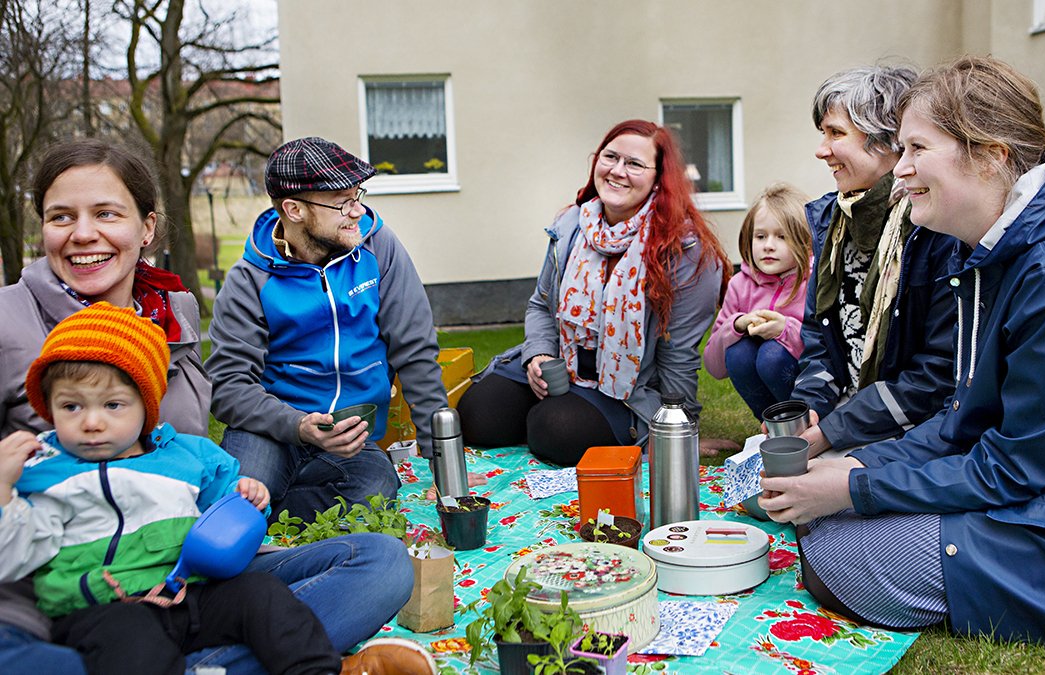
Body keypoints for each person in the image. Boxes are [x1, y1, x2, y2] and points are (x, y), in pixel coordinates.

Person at [760, 55, 1045, 641]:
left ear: (991, 154)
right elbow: (961, 421)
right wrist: (857, 464)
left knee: (837, 557)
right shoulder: (993, 254)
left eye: (917, 149)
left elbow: (1016, 466)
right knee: (821, 522)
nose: (901, 171)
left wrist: (853, 485)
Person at [0, 139, 415, 674]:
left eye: (106, 213)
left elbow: (191, 456)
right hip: (77, 598)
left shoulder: (172, 312)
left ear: (146, 228)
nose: (83, 233)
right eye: (62, 216)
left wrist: (236, 510)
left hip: (197, 573)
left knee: (380, 562)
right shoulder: (9, 318)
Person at [206, 136, 482, 520]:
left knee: (374, 496)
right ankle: (271, 505)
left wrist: (441, 457)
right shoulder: (249, 279)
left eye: (358, 196)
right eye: (342, 203)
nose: (357, 211)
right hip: (269, 430)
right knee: (237, 509)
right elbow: (227, 386)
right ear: (294, 209)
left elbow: (415, 351)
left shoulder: (379, 247)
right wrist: (298, 425)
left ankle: (279, 507)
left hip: (351, 438)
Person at [458, 119, 731, 466]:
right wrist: (538, 356)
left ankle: (570, 417)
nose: (618, 171)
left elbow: (678, 353)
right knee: (476, 415)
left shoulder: (686, 251)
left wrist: (679, 431)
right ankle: (552, 408)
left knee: (554, 431)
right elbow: (542, 305)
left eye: (634, 164)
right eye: (610, 157)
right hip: (561, 362)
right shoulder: (572, 225)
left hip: (622, 390)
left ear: (659, 179)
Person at [788, 65, 957, 458]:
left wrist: (832, 432)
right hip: (850, 419)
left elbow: (937, 372)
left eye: (835, 133)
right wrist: (807, 409)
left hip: (916, 436)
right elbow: (819, 339)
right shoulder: (833, 222)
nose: (821, 149)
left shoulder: (935, 231)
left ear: (885, 141)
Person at [703, 183, 813, 421]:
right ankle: (771, 426)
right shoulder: (740, 284)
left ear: (805, 241)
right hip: (766, 397)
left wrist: (785, 330)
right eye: (760, 236)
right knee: (739, 353)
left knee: (772, 355)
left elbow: (826, 352)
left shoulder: (814, 282)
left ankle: (802, 424)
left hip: (811, 393)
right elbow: (714, 366)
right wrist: (736, 325)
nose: (768, 245)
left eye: (782, 237)